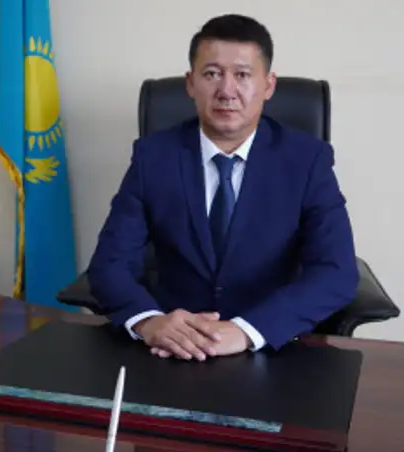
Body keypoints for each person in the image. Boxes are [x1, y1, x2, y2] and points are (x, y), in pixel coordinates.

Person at [87, 14, 358, 361]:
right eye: (212, 74)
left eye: (242, 75)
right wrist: (149, 321)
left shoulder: (306, 160)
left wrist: (247, 330)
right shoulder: (153, 157)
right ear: (190, 83)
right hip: (172, 350)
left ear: (269, 85)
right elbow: (110, 264)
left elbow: (336, 272)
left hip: (271, 349)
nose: (227, 91)